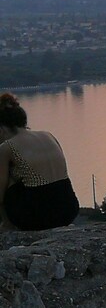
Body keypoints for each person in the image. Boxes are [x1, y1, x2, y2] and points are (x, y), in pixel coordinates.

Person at [0, 92, 80, 230]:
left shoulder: (7, 147)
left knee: (8, 178)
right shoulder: (48, 135)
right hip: (69, 210)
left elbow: (0, 193)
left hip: (39, 216)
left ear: (1, 129)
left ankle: (7, 225)